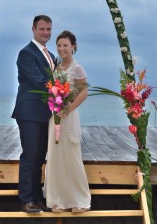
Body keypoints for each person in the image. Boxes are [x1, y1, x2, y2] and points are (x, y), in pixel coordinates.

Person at [44, 30, 91, 213]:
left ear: (73, 47)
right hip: (54, 117)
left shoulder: (77, 68)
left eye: (65, 45)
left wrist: (67, 109)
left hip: (69, 116)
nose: (62, 48)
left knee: (71, 157)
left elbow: (84, 93)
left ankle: (78, 200)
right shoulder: (56, 67)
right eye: (59, 45)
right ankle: (58, 200)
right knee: (56, 157)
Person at [12, 15, 55, 214]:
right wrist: (63, 88)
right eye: (42, 29)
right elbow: (40, 81)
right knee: (29, 156)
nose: (45, 33)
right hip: (29, 112)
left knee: (40, 157)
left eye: (48, 29)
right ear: (33, 29)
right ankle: (26, 199)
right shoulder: (26, 53)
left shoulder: (51, 55)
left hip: (46, 113)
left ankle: (37, 198)